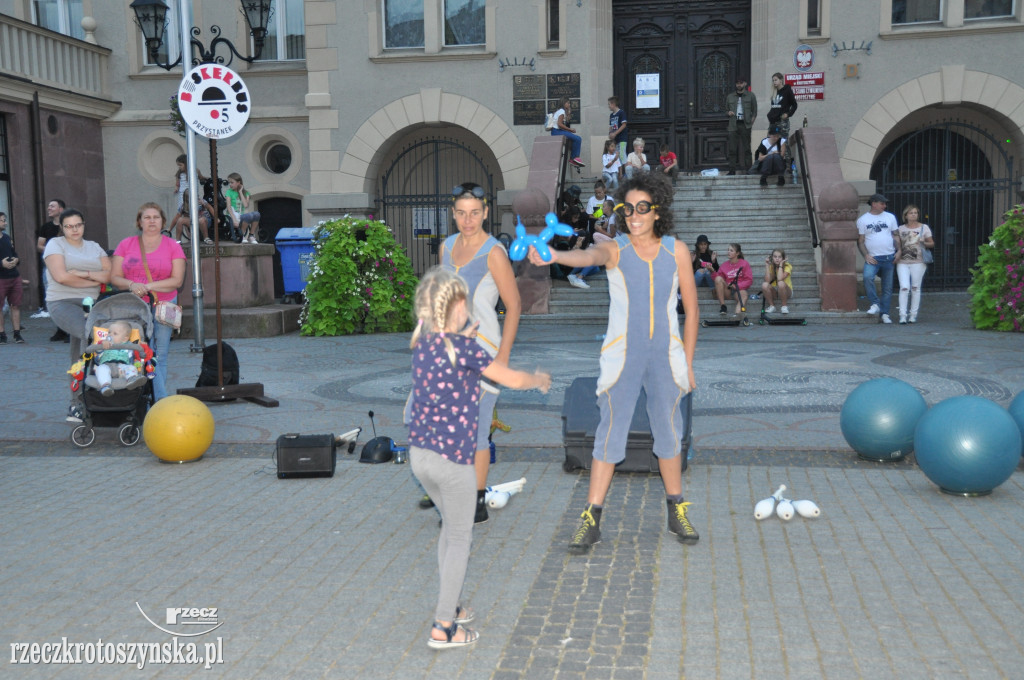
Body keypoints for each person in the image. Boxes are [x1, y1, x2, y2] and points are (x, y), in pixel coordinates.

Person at [527, 172, 700, 553]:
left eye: (643, 208)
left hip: (665, 355)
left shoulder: (678, 251)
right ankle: (591, 517)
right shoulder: (616, 248)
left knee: (669, 430)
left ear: (657, 211)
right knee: (609, 432)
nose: (635, 215)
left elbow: (692, 310)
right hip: (623, 354)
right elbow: (589, 255)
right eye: (628, 209)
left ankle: (677, 508)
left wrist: (687, 362)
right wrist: (556, 255)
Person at [408, 266, 550, 650]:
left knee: (449, 530)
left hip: (420, 458)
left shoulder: (424, 343)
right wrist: (535, 378)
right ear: (455, 307)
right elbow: (507, 377)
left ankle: (450, 606)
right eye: (464, 303)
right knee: (460, 538)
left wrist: (462, 336)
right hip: (452, 462)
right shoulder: (466, 349)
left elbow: (452, 361)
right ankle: (443, 627)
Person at [439, 182, 522, 524]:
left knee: (475, 432)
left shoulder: (494, 253)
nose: (467, 220)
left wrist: (502, 357)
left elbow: (514, 306)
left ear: (485, 212)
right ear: (453, 214)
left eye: (474, 213)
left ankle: (473, 503)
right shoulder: (445, 247)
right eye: (461, 213)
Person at [110, 203, 186, 401]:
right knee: (136, 351)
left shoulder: (173, 246)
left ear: (162, 221)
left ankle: (158, 400)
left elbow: (177, 280)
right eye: (147, 217)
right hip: (133, 306)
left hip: (164, 305)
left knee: (160, 353)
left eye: (156, 217)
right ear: (139, 222)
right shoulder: (126, 244)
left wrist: (148, 287)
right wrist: (132, 284)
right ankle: (147, 398)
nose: (152, 221)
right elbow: (115, 278)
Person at [43, 208, 111, 422]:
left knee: (78, 351)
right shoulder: (55, 245)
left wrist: (84, 274)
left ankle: (81, 403)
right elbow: (61, 277)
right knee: (88, 334)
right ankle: (85, 396)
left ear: (84, 224)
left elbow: (109, 275)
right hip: (62, 302)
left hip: (91, 304)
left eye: (78, 225)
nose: (74, 229)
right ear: (61, 228)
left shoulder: (94, 247)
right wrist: (95, 280)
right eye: (69, 226)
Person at [857, 193, 900, 324]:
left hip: (889, 256)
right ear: (874, 203)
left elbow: (896, 235)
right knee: (867, 277)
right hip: (874, 257)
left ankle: (885, 314)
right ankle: (875, 303)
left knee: (887, 287)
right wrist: (866, 255)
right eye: (882, 203)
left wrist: (899, 251)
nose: (884, 206)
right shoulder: (863, 220)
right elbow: (861, 241)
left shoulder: (890, 217)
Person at [896, 204, 934, 324]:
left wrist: (923, 241)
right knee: (904, 287)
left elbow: (932, 244)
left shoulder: (924, 228)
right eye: (911, 213)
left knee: (915, 288)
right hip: (903, 261)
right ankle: (902, 315)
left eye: (916, 213)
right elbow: (897, 244)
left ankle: (913, 315)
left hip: (918, 261)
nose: (914, 215)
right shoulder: (900, 229)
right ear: (906, 215)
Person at [34, 199, 66, 338]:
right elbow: (39, 246)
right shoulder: (46, 227)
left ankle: (68, 330)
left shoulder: (69, 225)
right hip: (49, 267)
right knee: (53, 298)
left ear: (61, 209)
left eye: (52, 206)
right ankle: (60, 329)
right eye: (48, 206)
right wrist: (53, 250)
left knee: (66, 296)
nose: (48, 208)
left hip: (67, 267)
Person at [92, 320, 141, 397]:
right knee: (101, 369)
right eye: (109, 332)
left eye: (115, 334)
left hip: (121, 367)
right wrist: (102, 344)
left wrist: (141, 345)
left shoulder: (128, 345)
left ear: (125, 339)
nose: (110, 335)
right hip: (106, 365)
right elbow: (97, 351)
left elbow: (135, 354)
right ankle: (105, 386)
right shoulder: (104, 343)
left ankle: (132, 379)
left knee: (131, 367)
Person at [0, 211, 25, 344]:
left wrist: (16, 260)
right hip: (1, 278)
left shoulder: (6, 237)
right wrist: (1, 263)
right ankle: (2, 334)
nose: (5, 223)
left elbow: (14, 253)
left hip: (14, 277)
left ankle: (17, 334)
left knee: (15, 305)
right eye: (2, 220)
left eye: (4, 220)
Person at [725, 76, 757, 175]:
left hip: (745, 124)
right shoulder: (730, 96)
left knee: (747, 148)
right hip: (733, 124)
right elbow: (726, 110)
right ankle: (732, 170)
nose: (739, 85)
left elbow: (754, 110)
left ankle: (749, 169)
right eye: (737, 83)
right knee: (732, 149)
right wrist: (728, 112)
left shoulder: (751, 95)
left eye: (741, 83)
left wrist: (751, 122)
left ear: (745, 84)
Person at [713, 243, 753, 315]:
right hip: (727, 290)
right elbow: (716, 279)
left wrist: (736, 286)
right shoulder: (724, 265)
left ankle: (737, 315)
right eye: (728, 250)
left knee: (744, 295)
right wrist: (712, 270)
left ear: (737, 253)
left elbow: (749, 280)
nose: (728, 252)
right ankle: (723, 306)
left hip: (739, 290)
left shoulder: (744, 264)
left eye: (731, 250)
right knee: (718, 278)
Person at [766, 72, 798, 153]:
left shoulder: (787, 90)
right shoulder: (774, 92)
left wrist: (788, 114)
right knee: (770, 143)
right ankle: (773, 163)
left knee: (784, 143)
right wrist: (770, 115)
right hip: (773, 122)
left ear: (781, 80)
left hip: (782, 122)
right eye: (773, 80)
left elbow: (794, 105)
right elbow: (774, 107)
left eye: (776, 80)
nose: (774, 82)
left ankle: (787, 164)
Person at [226, 173, 262, 244]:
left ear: (238, 183)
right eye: (229, 182)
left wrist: (240, 192)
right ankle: (241, 235)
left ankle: (251, 236)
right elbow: (228, 207)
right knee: (249, 216)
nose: (230, 184)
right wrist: (234, 219)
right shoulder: (229, 192)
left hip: (241, 216)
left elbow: (245, 205)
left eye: (232, 182)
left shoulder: (246, 193)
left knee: (257, 214)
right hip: (232, 216)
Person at [551, 96, 584, 167]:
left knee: (575, 138)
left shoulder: (560, 111)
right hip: (557, 132)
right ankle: (574, 158)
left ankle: (574, 158)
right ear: (564, 103)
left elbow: (565, 123)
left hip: (556, 131)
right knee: (578, 139)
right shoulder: (562, 111)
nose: (569, 105)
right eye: (568, 103)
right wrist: (570, 130)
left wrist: (568, 114)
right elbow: (559, 124)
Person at [761, 248, 793, 314]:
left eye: (779, 257)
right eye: (775, 257)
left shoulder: (787, 266)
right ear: (772, 258)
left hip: (786, 291)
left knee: (780, 283)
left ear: (783, 258)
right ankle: (772, 306)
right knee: (764, 285)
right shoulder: (771, 266)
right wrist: (767, 265)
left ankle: (784, 306)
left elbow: (780, 278)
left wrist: (781, 265)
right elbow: (767, 280)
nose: (777, 259)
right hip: (775, 291)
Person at [608, 96, 628, 166]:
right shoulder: (611, 115)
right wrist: (610, 133)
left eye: (609, 104)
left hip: (622, 139)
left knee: (622, 155)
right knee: (616, 157)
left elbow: (624, 125)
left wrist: (615, 133)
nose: (608, 106)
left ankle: (627, 172)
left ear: (613, 104)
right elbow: (611, 126)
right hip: (615, 140)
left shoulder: (621, 113)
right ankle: (619, 174)